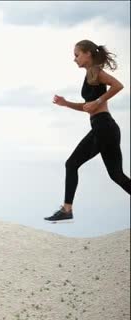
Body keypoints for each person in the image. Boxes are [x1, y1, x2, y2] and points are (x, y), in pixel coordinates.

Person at [45, 39, 130, 223]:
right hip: (107, 127)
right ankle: (67, 210)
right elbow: (87, 107)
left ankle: (67, 210)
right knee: (117, 175)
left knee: (71, 164)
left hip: (103, 127)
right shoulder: (90, 75)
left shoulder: (97, 72)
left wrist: (99, 101)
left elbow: (118, 85)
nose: (74, 59)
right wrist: (66, 103)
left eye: (77, 55)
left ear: (88, 54)